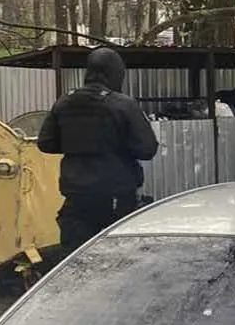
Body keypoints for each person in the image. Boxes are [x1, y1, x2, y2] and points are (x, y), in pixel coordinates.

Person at [37, 47, 160, 256]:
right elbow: (147, 149)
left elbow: (46, 143)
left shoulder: (64, 102)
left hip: (77, 199)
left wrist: (75, 144)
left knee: (76, 262)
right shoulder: (123, 104)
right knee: (120, 260)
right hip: (116, 199)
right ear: (112, 73)